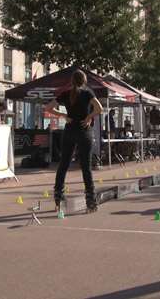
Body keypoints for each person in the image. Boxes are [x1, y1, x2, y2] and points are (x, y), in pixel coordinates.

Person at [45, 70, 103, 213]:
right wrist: (89, 117)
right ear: (84, 80)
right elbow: (99, 108)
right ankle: (90, 201)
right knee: (85, 167)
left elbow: (47, 108)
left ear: (72, 81)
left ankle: (58, 197)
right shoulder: (88, 93)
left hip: (69, 130)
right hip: (84, 131)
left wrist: (64, 115)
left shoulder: (66, 94)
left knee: (63, 164)